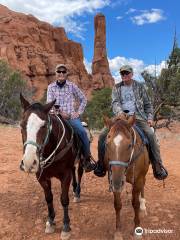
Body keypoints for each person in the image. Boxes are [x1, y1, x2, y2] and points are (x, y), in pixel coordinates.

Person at [94, 64, 168, 180]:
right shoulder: (116, 88)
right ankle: (101, 164)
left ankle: (157, 166)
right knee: (103, 135)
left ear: (132, 74)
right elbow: (115, 103)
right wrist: (120, 113)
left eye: (126, 73)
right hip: (120, 117)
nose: (124, 75)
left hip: (137, 117)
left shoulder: (140, 87)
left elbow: (148, 104)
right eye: (122, 73)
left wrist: (149, 118)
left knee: (151, 134)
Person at [47, 63, 96, 172]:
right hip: (55, 117)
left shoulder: (72, 86)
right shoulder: (51, 87)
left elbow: (83, 99)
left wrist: (78, 113)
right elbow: (49, 104)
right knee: (42, 131)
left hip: (70, 117)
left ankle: (86, 160)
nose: (61, 73)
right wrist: (59, 112)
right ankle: (40, 158)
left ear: (66, 73)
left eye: (63, 72)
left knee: (82, 132)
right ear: (55, 73)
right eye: (59, 71)